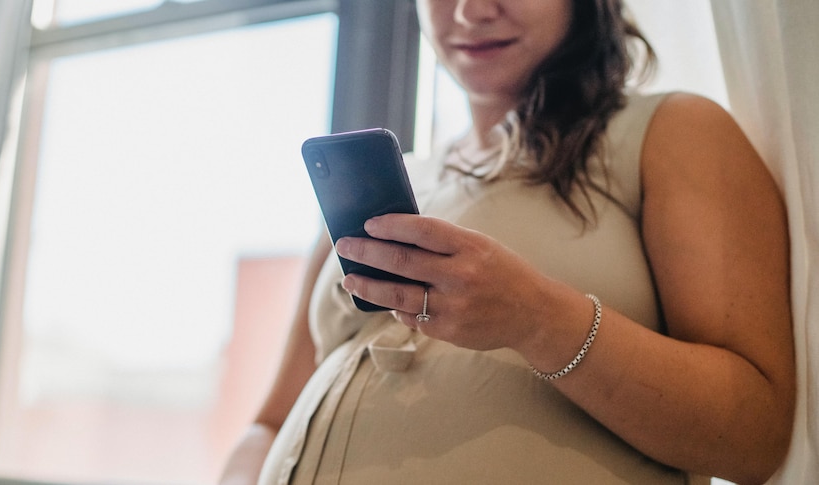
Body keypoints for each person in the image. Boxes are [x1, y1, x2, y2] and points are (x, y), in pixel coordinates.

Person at [220, 0, 795, 483]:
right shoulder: (385, 188)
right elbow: (270, 422)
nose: (472, 11)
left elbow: (754, 436)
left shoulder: (671, 132)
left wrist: (538, 319)